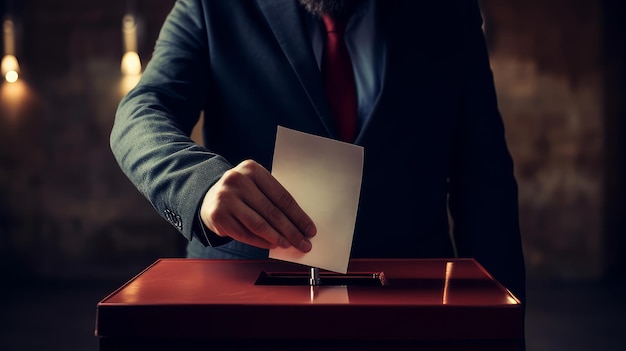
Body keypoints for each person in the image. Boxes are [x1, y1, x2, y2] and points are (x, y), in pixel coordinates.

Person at [110, 0, 526, 302]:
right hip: (243, 303)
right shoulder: (213, 6)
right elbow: (142, 112)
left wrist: (503, 329)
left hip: (411, 303)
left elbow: (485, 184)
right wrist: (200, 186)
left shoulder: (450, 13)